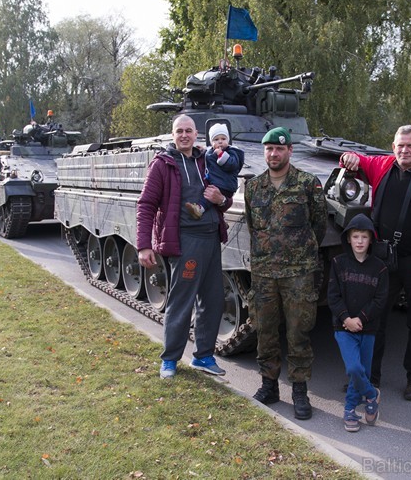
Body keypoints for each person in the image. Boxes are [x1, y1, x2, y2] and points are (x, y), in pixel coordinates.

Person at [338, 125, 411, 401]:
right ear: (393, 147)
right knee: (372, 319)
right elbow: (353, 158)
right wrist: (348, 158)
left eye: (410, 145)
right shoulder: (382, 166)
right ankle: (368, 376)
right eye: (400, 145)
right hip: (383, 259)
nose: (405, 150)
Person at [136, 115, 231, 379]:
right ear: (173, 134)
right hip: (185, 240)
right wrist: (144, 245)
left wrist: (221, 198)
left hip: (212, 238)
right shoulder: (163, 164)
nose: (184, 135)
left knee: (212, 301)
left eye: (189, 130)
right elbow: (146, 205)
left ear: (196, 133)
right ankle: (170, 359)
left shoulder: (207, 159)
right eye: (180, 131)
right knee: (181, 302)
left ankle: (203, 356)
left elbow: (225, 196)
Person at [245, 126, 327, 420]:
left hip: (299, 273)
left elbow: (319, 226)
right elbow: (253, 228)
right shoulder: (253, 187)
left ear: (289, 151)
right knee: (265, 330)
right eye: (269, 149)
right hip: (264, 273)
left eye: (279, 148)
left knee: (298, 332)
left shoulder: (308, 184)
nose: (274, 153)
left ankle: (300, 390)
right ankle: (269, 385)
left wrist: (299, 253)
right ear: (264, 152)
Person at [327, 213, 388, 432]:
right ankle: (372, 395)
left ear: (371, 239)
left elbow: (381, 300)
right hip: (343, 327)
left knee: (362, 370)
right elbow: (333, 296)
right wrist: (347, 319)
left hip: (368, 328)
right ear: (348, 239)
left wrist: (361, 319)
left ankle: (350, 409)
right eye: (355, 237)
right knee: (353, 368)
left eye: (364, 237)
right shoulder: (338, 263)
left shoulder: (379, 267)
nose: (360, 241)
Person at [184, 123, 244, 219]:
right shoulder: (212, 151)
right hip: (218, 182)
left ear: (228, 140)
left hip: (225, 184)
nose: (220, 142)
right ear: (211, 142)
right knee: (209, 195)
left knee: (209, 196)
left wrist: (221, 155)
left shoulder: (232, 152)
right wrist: (203, 150)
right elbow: (209, 154)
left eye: (223, 139)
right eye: (216, 139)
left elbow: (232, 165)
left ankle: (200, 209)